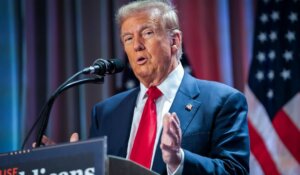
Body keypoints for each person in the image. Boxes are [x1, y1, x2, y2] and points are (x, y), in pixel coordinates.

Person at [42, 1, 250, 174]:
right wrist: (71, 165)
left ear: (174, 41)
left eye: (147, 33)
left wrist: (179, 160)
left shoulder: (222, 101)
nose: (137, 45)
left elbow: (235, 171)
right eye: (128, 38)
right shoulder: (106, 112)